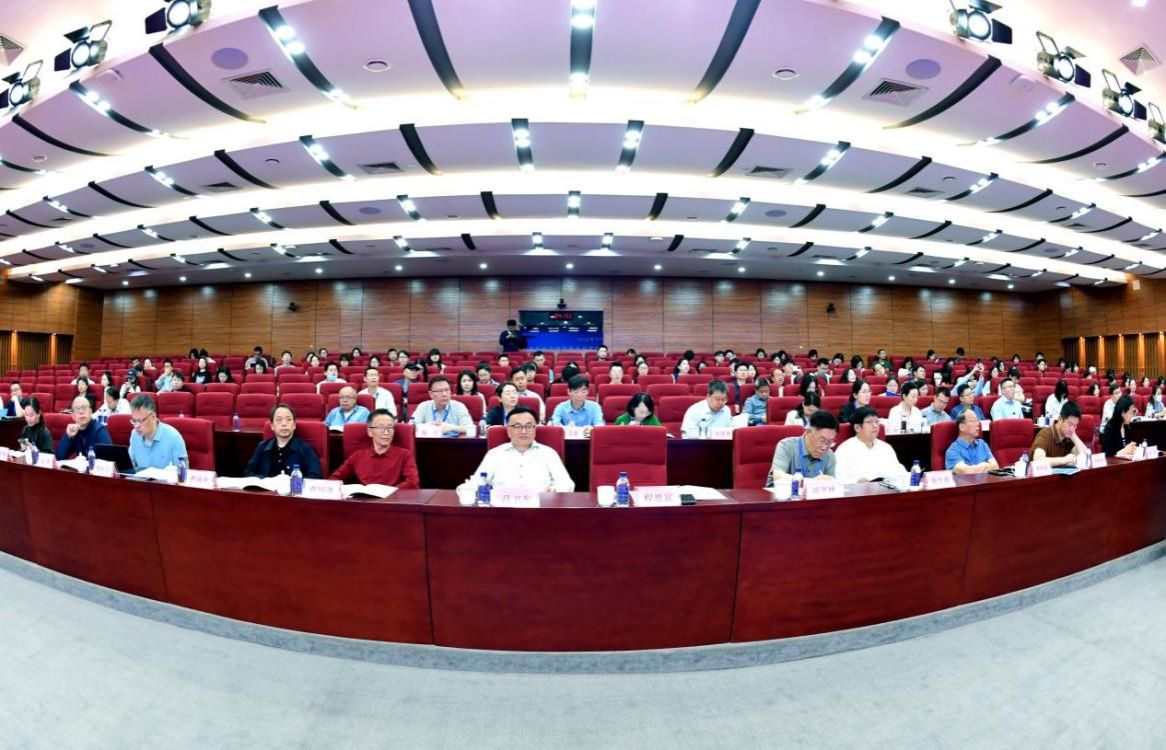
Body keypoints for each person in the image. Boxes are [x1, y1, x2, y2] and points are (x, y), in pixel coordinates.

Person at [468, 406, 574, 491]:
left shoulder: (548, 453)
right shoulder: (495, 454)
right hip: (502, 507)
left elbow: (567, 484)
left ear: (535, 429)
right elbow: (476, 483)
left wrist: (554, 490)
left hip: (540, 507)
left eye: (528, 426)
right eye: (517, 426)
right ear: (509, 430)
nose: (523, 431)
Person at [329, 409, 420, 489]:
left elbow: (413, 483)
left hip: (393, 500)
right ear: (370, 431)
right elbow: (334, 479)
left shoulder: (405, 455)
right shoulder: (357, 456)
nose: (386, 432)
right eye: (381, 427)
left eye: (390, 427)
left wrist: (390, 492)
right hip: (364, 500)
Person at [244, 404, 323, 479]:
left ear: (294, 425)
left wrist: (292, 481)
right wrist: (269, 480)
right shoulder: (262, 447)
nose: (284, 424)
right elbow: (248, 473)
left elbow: (316, 477)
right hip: (266, 488)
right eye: (279, 420)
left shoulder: (306, 449)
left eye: (288, 419)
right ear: (272, 426)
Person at [834, 407, 906, 485]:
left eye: (877, 421)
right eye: (869, 422)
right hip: (858, 490)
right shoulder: (845, 449)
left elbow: (900, 473)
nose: (875, 426)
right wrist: (856, 482)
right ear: (857, 428)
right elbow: (838, 479)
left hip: (887, 489)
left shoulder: (886, 447)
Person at [768, 410, 839, 486]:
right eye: (822, 440)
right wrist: (810, 482)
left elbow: (831, 484)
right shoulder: (786, 446)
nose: (824, 448)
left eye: (830, 442)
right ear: (807, 432)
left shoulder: (829, 455)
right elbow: (777, 476)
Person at [127, 394, 189, 472]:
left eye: (140, 421)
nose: (136, 426)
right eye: (134, 421)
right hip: (141, 479)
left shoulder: (174, 437)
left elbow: (183, 473)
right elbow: (129, 465)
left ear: (153, 417)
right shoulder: (135, 434)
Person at [1031, 401, 1087, 467]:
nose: (1072, 429)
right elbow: (1037, 460)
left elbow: (1086, 457)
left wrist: (1073, 435)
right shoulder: (1045, 434)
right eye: (1069, 424)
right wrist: (1064, 460)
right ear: (1060, 419)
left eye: (1075, 425)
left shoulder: (1069, 437)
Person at [55, 395, 112, 460]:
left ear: (90, 412)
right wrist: (68, 436)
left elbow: (109, 459)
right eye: (78, 409)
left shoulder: (100, 430)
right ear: (73, 416)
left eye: (84, 408)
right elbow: (60, 457)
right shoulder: (73, 430)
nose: (81, 412)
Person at [945, 409, 999, 474]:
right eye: (973, 421)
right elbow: (966, 472)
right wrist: (985, 465)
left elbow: (995, 467)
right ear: (962, 427)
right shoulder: (953, 450)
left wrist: (975, 468)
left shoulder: (982, 444)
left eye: (977, 420)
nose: (978, 424)